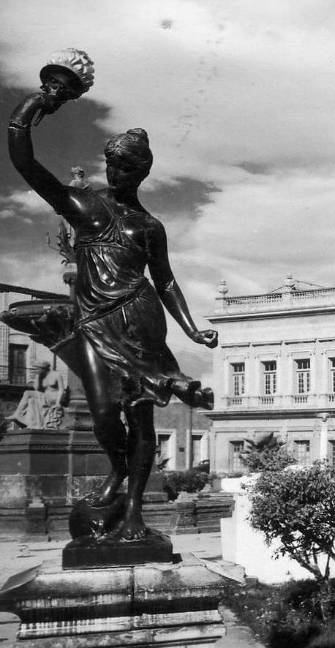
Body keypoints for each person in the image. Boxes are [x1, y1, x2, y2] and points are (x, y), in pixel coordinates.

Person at [8, 84, 217, 542]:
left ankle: (137, 510)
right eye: (113, 164)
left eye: (127, 167)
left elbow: (164, 281)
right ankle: (119, 471)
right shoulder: (85, 204)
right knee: (104, 412)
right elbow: (25, 162)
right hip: (94, 320)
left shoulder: (149, 226)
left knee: (140, 415)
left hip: (140, 319)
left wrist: (192, 328)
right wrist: (41, 102)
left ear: (142, 172)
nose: (117, 172)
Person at [3, 360, 69, 430]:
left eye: (37, 369)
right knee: (30, 397)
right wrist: (37, 377)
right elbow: (37, 388)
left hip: (54, 397)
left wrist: (58, 402)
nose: (35, 371)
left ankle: (17, 414)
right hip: (44, 396)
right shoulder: (41, 376)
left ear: (43, 368)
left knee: (27, 393)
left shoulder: (56, 375)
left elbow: (61, 389)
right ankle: (22, 417)